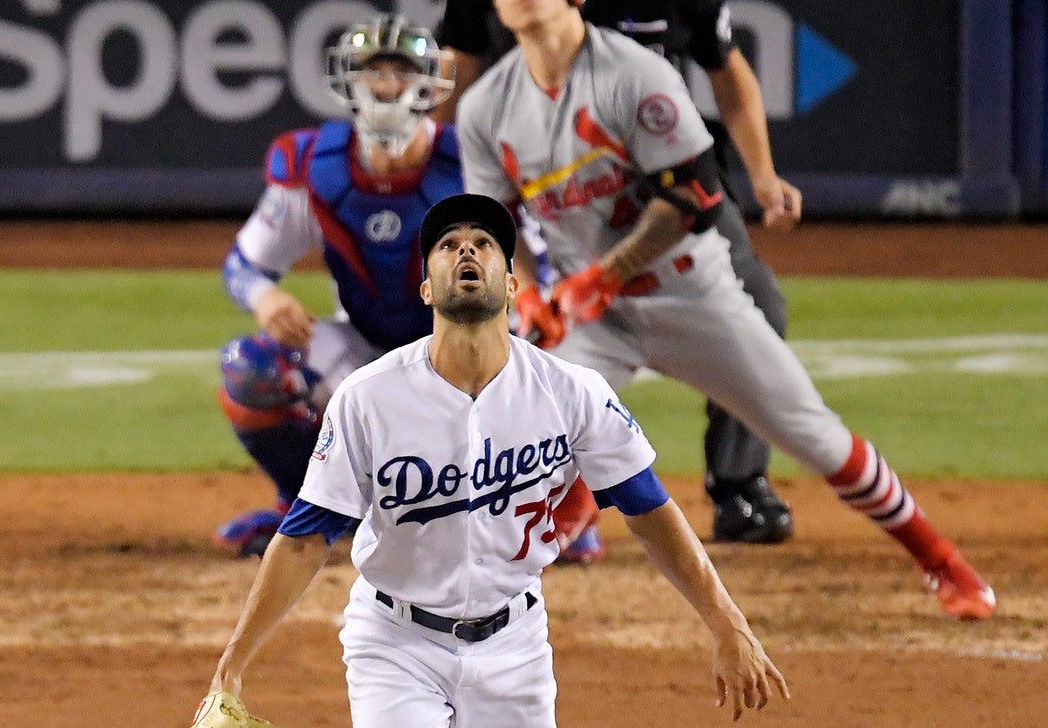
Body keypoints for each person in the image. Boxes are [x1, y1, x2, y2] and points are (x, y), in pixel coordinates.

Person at [454, 0, 996, 619]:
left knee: (814, 435)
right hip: (594, 317)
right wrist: (527, 293)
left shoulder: (635, 75)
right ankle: (497, 588)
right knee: (517, 435)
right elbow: (494, 223)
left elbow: (693, 193)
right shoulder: (485, 106)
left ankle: (940, 559)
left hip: (689, 291)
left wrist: (602, 277)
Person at [192, 192, 790, 728]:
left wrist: (727, 624)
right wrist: (231, 667)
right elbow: (304, 539)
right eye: (448, 245)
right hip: (394, 645)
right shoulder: (367, 397)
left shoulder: (572, 392)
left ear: (510, 284)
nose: (466, 251)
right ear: (427, 289)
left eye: (484, 243)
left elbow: (650, 511)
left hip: (517, 648)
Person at [434, 0, 800, 546]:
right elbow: (458, 67)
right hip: (554, 198)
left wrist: (763, 174)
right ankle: (521, 494)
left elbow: (727, 71)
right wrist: (432, 167)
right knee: (539, 337)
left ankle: (739, 483)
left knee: (759, 302)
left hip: (672, 185)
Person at [212, 14, 459, 557]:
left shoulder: (474, 163)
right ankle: (306, 511)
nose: (386, 86)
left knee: (548, 362)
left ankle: (548, 510)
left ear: (430, 83)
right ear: (348, 79)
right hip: (365, 344)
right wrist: (265, 297)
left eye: (401, 72)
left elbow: (534, 277)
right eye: (373, 72)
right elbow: (244, 265)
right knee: (251, 369)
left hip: (466, 360)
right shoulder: (312, 164)